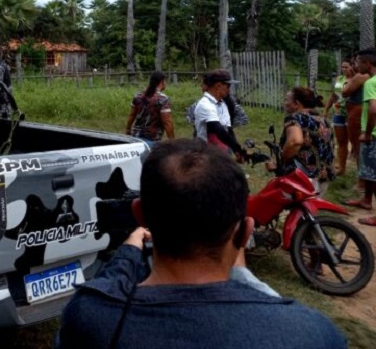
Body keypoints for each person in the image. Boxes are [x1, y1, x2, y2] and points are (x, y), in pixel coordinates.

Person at [54, 138, 346, 349]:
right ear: (245, 232)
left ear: (140, 217)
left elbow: (104, 290)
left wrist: (129, 252)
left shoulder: (90, 319)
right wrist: (242, 273)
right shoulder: (315, 333)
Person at [272, 87, 335, 193]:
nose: (284, 103)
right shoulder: (325, 121)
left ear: (297, 103)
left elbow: (294, 142)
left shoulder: (295, 118)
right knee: (308, 209)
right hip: (323, 179)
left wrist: (282, 161)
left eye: (287, 100)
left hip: (302, 179)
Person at [343, 49, 376, 221]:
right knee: (370, 171)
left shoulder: (370, 82)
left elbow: (372, 110)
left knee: (374, 172)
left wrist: (367, 133)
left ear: (367, 64)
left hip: (373, 135)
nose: (357, 65)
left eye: (359, 62)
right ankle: (366, 200)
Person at [192, 69, 245, 160]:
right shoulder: (205, 104)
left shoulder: (222, 104)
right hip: (206, 155)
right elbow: (218, 130)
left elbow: (228, 130)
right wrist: (237, 148)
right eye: (228, 86)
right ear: (219, 86)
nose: (229, 90)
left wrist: (236, 150)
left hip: (220, 153)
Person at [124, 71, 175, 147]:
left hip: (135, 137)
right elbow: (167, 122)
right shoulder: (163, 99)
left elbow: (132, 115)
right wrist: (173, 142)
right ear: (162, 82)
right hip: (152, 139)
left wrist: (128, 129)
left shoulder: (138, 96)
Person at [325, 59, 353, 175]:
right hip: (338, 113)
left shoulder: (357, 79)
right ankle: (342, 168)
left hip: (351, 114)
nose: (344, 69)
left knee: (354, 141)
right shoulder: (339, 79)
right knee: (341, 142)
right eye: (343, 67)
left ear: (352, 66)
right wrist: (326, 109)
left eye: (347, 67)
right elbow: (333, 96)